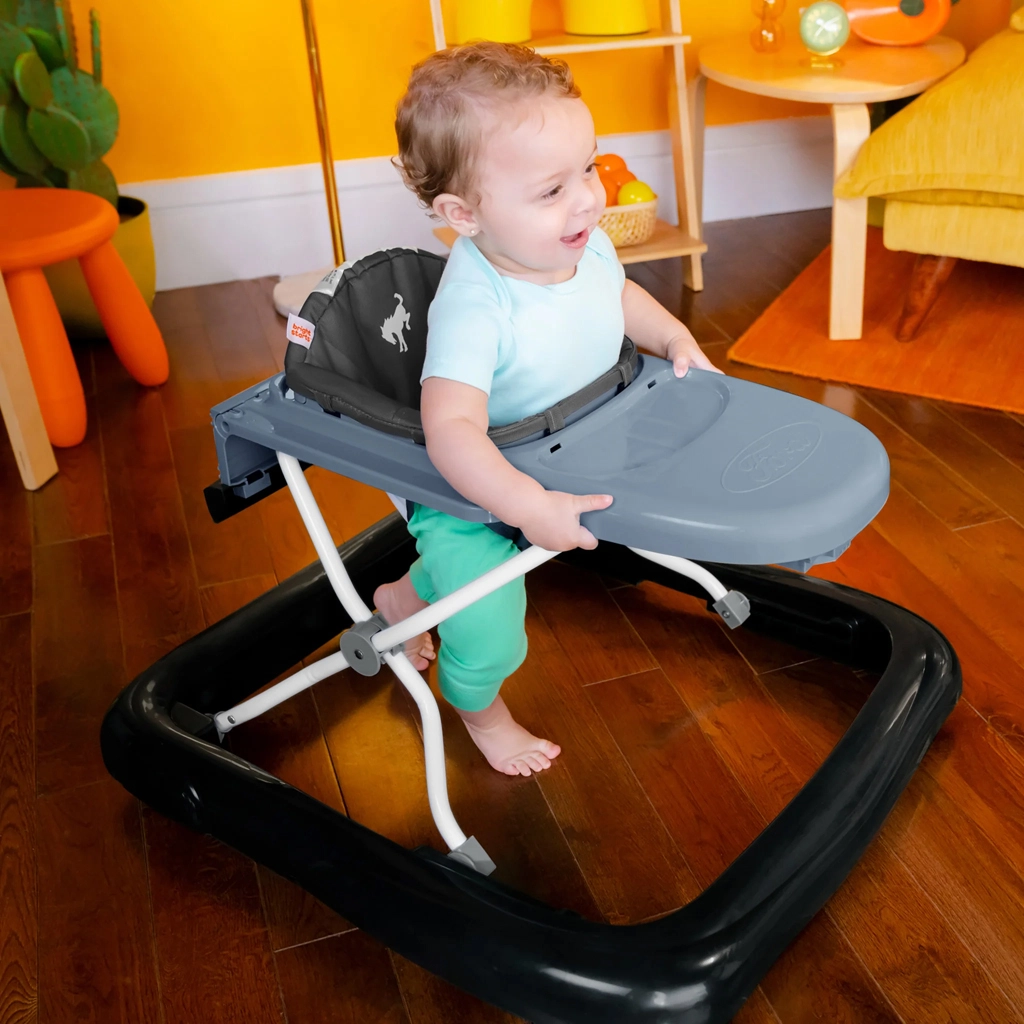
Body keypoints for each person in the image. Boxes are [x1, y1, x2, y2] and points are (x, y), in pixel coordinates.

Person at [374, 41, 719, 777]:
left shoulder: (581, 244)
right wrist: (525, 505)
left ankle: (403, 596)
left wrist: (672, 336)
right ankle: (482, 714)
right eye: (552, 189)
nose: (589, 199)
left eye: (588, 168)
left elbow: (618, 295)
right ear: (463, 214)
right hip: (474, 494)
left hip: (568, 447)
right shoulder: (475, 305)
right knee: (491, 631)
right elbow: (451, 430)